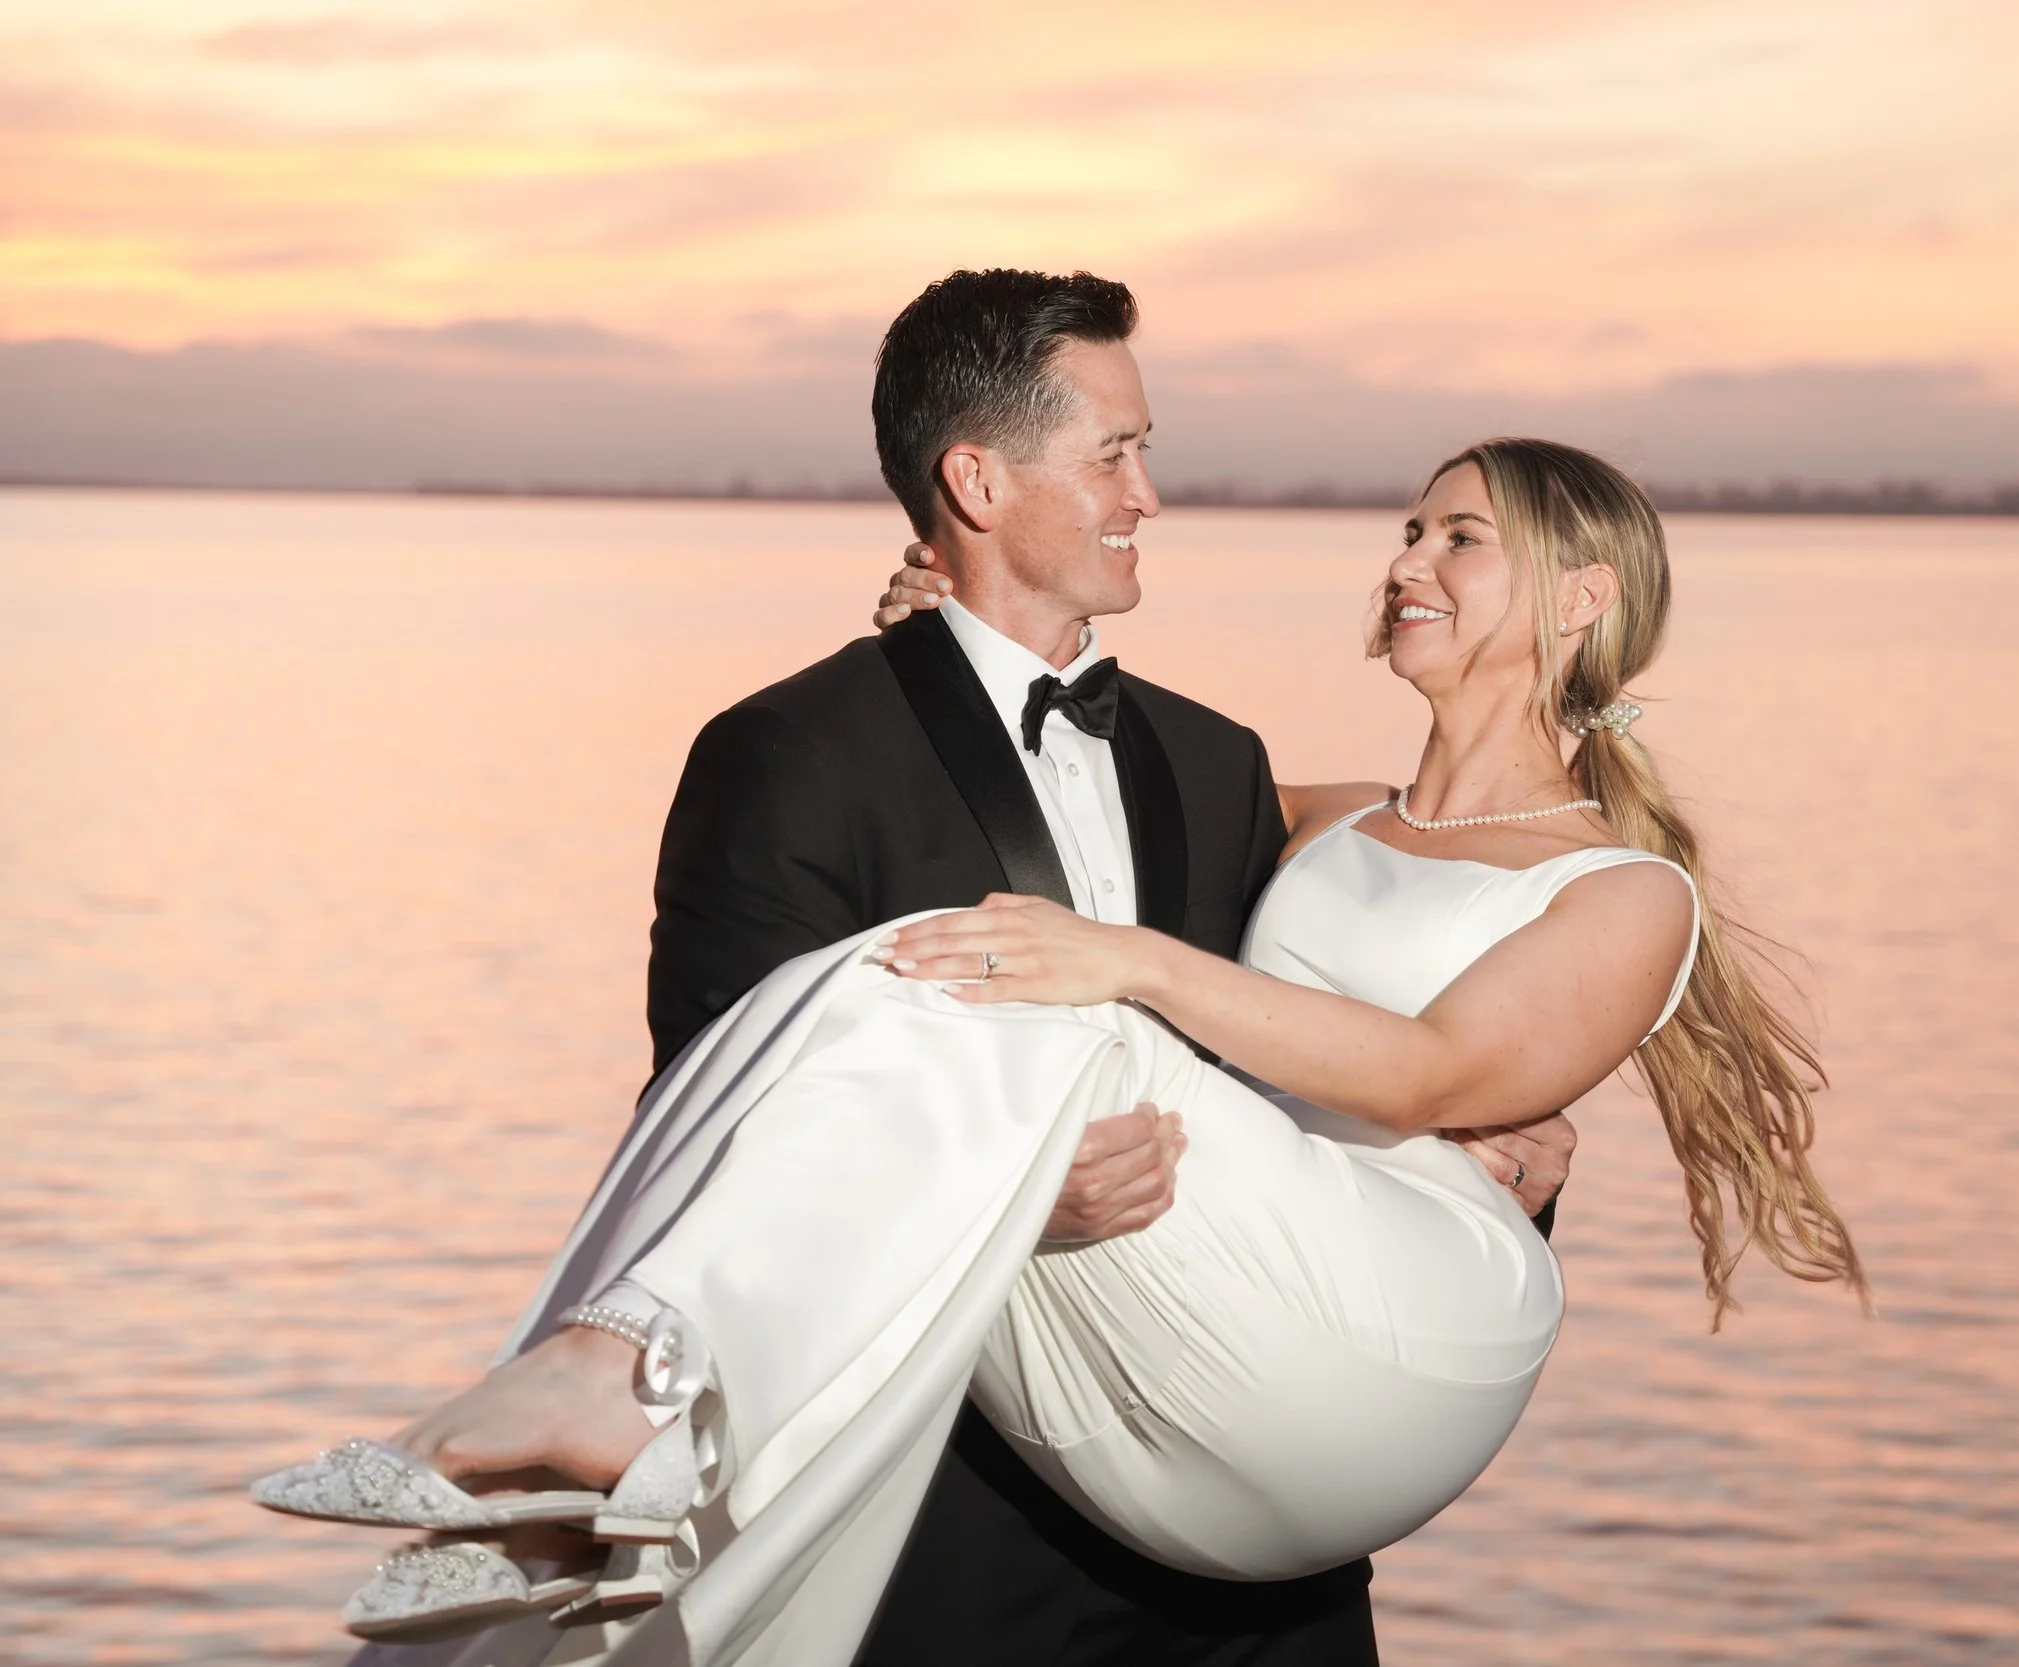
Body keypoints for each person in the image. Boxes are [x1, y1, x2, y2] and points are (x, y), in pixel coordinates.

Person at [259, 281, 1866, 1667]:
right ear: (976, 479)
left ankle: (618, 1390)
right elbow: (731, 1082)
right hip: (995, 1522)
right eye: (1116, 452)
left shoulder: (1550, 866)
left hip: (1300, 1456)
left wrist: (1142, 973)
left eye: (1460, 536)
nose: (1404, 559)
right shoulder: (1220, 793)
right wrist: (1022, 1181)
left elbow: (1428, 1064)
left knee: (1052, 1002)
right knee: (952, 990)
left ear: (1581, 599)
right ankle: (603, 1455)